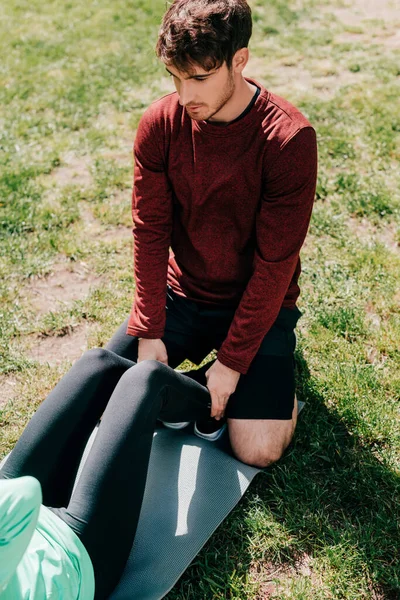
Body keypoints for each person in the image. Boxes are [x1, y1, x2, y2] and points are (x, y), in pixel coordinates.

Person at [106, 0, 318, 466]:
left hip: (258, 304)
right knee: (106, 394)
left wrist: (233, 362)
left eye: (199, 78)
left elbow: (275, 265)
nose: (185, 96)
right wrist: (149, 329)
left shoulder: (288, 139)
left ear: (238, 61)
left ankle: (240, 383)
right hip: (183, 294)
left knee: (258, 449)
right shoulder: (161, 124)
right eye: (175, 78)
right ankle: (203, 389)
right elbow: (150, 232)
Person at [0, 350, 215, 599]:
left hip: (27, 539)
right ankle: (216, 402)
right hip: (72, 560)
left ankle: (185, 389)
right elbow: (24, 496)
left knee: (99, 364)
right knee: (148, 379)